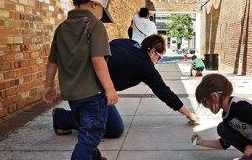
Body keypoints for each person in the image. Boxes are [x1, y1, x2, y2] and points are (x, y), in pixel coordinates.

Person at [42, 0, 117, 160]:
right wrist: (110, 89)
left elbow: (52, 61)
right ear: (96, 4)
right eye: (101, 9)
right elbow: (98, 60)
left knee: (87, 131)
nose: (101, 14)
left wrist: (48, 86)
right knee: (91, 134)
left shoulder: (62, 28)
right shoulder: (95, 26)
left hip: (71, 94)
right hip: (93, 94)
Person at [53, 34, 199, 138]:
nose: (157, 61)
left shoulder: (127, 42)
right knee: (114, 129)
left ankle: (84, 113)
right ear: (152, 51)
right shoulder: (145, 66)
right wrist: (188, 113)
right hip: (92, 91)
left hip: (79, 81)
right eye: (159, 57)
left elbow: (109, 48)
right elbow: (164, 92)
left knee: (106, 120)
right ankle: (62, 117)